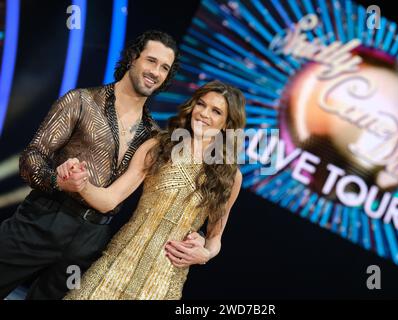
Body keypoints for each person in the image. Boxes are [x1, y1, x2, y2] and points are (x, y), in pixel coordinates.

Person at [0, 30, 203, 300]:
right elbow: (32, 157)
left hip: (90, 241)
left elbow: (171, 194)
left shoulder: (154, 137)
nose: (156, 72)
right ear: (132, 57)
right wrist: (56, 181)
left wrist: (199, 236)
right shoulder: (81, 101)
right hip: (43, 220)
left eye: (164, 67)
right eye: (151, 61)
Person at [62, 80, 246, 299]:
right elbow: (110, 199)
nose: (204, 114)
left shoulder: (230, 177)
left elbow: (215, 237)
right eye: (201, 104)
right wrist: (82, 184)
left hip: (164, 282)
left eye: (216, 111)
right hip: (117, 265)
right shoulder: (159, 147)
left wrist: (204, 253)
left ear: (227, 124)